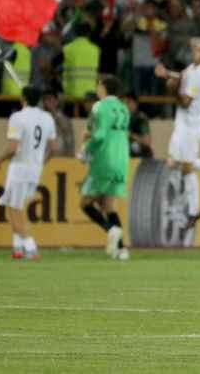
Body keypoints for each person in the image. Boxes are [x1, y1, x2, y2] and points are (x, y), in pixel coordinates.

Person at [155, 39, 200, 237]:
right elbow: (183, 77)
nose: (196, 50)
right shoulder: (193, 68)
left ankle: (194, 212)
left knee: (186, 167)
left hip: (191, 124)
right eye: (195, 47)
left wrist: (171, 89)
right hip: (182, 121)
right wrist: (167, 74)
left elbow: (185, 101)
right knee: (172, 163)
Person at [0, 87, 57, 261]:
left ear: (23, 99)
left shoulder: (17, 117)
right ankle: (17, 248)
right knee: (17, 205)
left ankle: (31, 247)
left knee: (14, 210)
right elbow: (53, 148)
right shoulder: (47, 118)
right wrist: (41, 163)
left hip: (20, 168)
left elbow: (13, 148)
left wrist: (0, 159)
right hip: (35, 170)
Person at [78, 75, 131, 261]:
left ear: (103, 88)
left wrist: (85, 150)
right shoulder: (124, 108)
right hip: (122, 160)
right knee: (108, 205)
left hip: (104, 160)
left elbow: (100, 136)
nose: (97, 89)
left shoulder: (100, 106)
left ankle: (111, 230)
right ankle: (122, 249)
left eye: (98, 85)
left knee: (85, 203)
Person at [43, 89, 75, 157]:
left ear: (56, 101)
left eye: (51, 99)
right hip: (45, 156)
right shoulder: (41, 119)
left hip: (60, 155)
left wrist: (70, 155)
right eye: (46, 99)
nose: (48, 102)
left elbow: (69, 139)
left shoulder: (64, 120)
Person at [124, 92, 153, 159]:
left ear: (135, 103)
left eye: (129, 102)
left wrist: (130, 135)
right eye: (124, 103)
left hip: (142, 157)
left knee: (135, 146)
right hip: (126, 157)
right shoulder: (122, 118)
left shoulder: (141, 119)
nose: (126, 105)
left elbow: (147, 142)